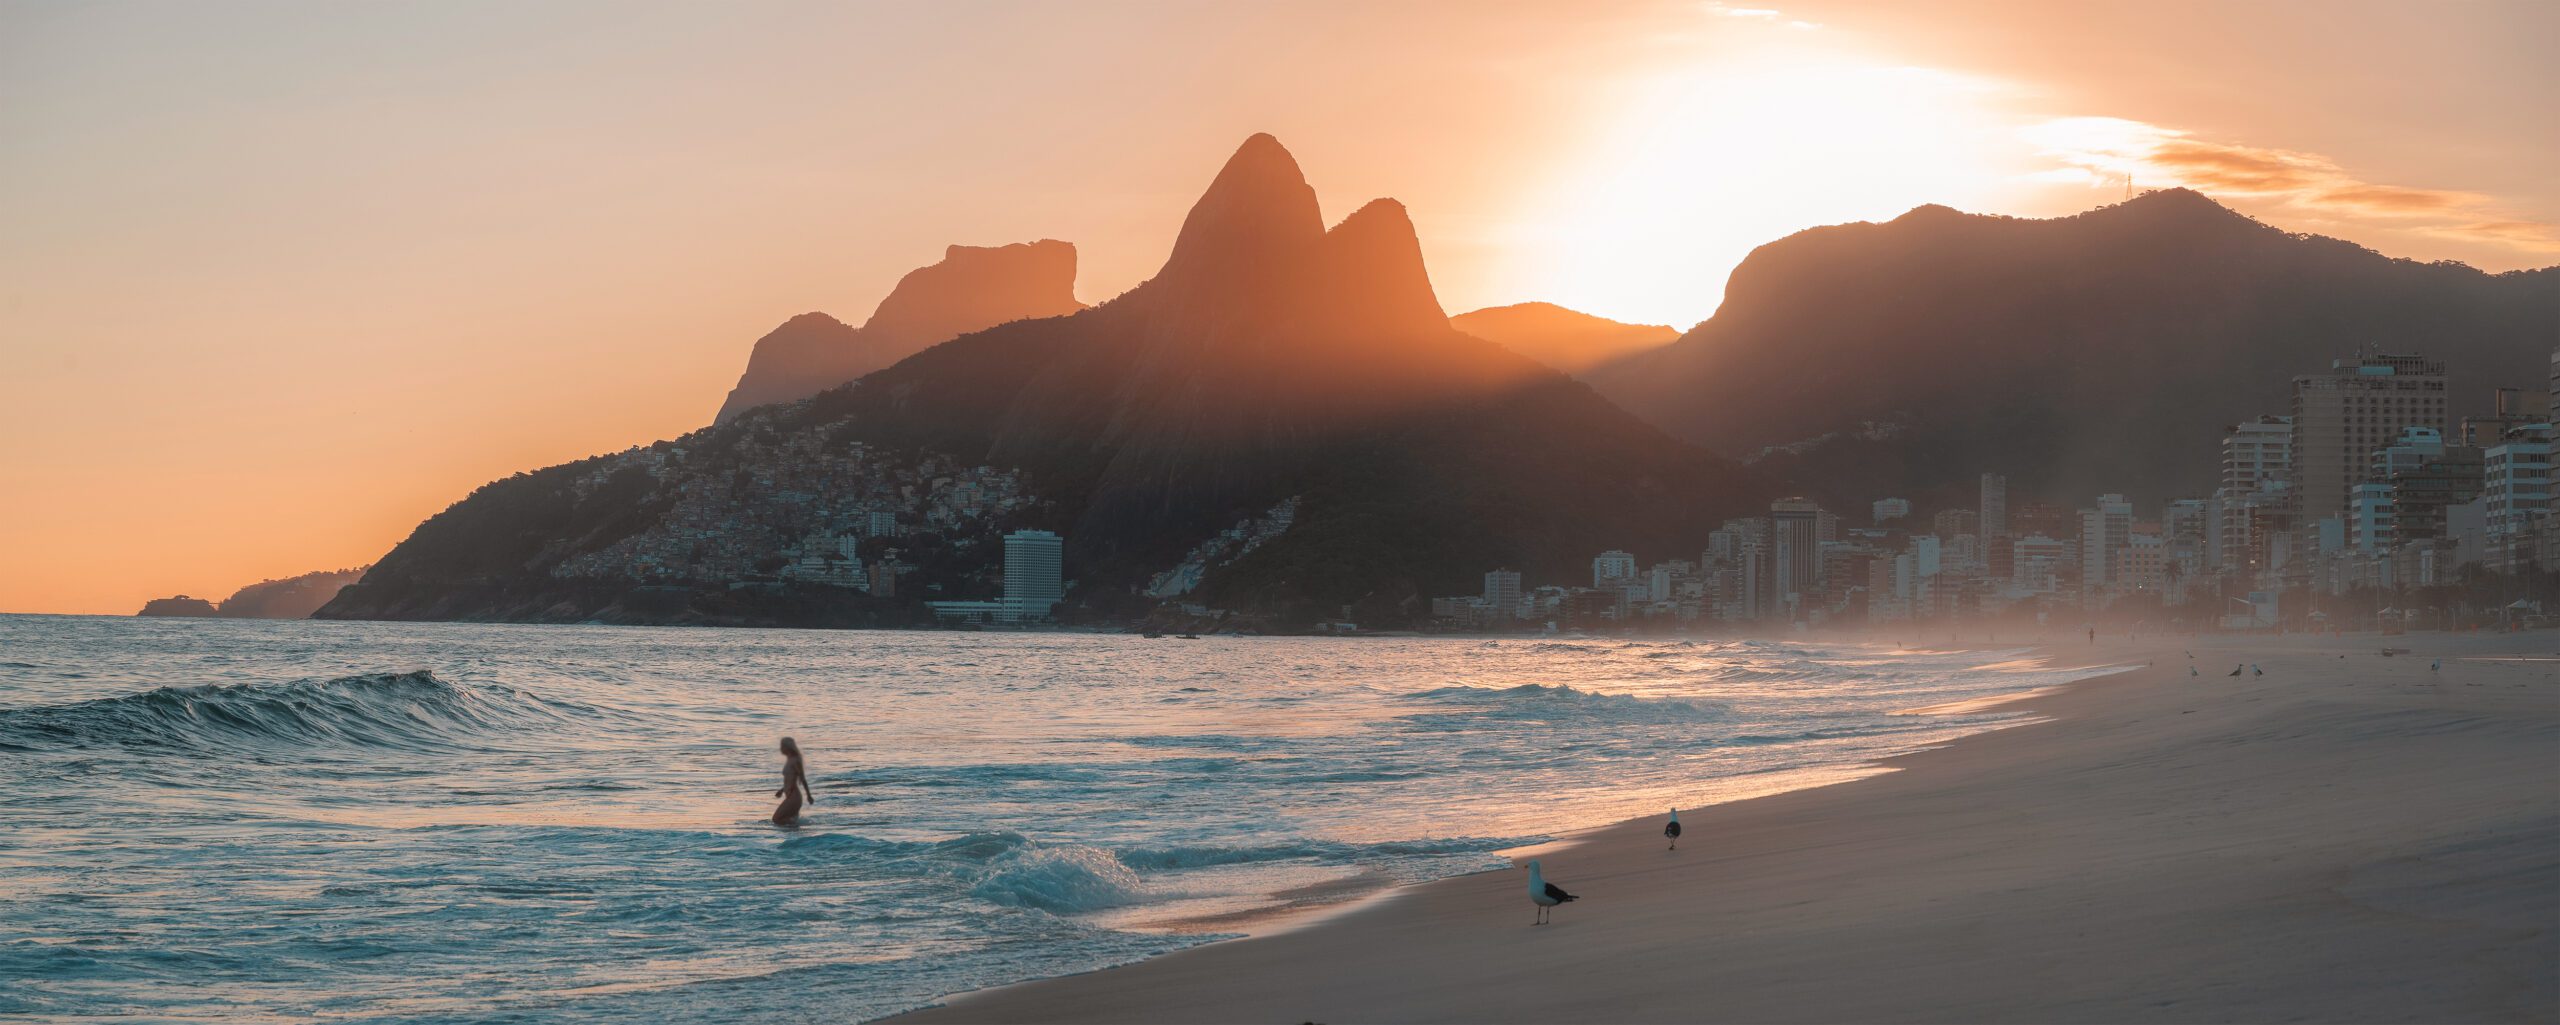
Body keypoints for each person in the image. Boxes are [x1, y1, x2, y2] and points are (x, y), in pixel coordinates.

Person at [772, 736, 814, 826]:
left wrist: (809, 796)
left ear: (787, 747)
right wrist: (781, 790)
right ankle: (796, 831)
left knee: (776, 819)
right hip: (789, 795)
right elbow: (789, 779)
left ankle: (800, 828)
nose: (780, 748)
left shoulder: (795, 760)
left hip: (794, 796)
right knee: (787, 820)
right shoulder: (789, 759)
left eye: (782, 746)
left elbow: (802, 779)